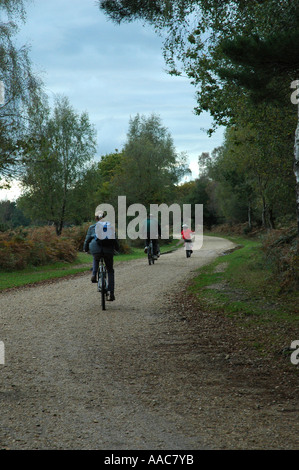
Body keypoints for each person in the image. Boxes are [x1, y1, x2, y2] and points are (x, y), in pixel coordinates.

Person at [83, 210, 119, 301]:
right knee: (110, 270)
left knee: (96, 258)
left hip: (96, 249)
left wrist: (85, 249)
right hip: (108, 250)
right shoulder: (110, 227)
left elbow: (87, 240)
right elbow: (114, 239)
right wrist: (117, 249)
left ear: (96, 218)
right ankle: (111, 293)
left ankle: (94, 274)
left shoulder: (92, 227)